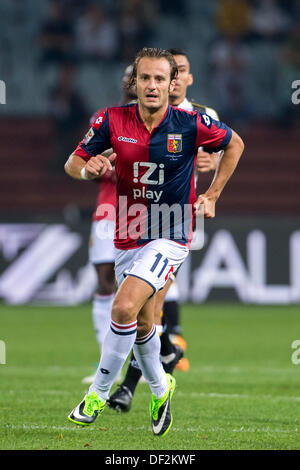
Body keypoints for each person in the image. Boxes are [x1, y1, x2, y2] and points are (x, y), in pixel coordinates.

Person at [64, 47, 244, 436]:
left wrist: (212, 194)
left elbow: (235, 144)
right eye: (145, 77)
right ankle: (162, 390)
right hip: (127, 233)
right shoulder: (111, 120)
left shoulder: (191, 122)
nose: (152, 85)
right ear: (134, 82)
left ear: (172, 83)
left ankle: (98, 392)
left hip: (171, 232)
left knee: (124, 305)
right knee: (145, 324)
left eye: (160, 78)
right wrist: (87, 169)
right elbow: (73, 162)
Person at [108, 47, 222, 412]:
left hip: (178, 218)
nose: (169, 82)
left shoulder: (201, 116)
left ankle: (128, 384)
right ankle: (170, 350)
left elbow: (220, 153)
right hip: (139, 219)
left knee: (148, 303)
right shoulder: (142, 115)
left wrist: (209, 173)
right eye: (156, 77)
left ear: (186, 78)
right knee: (147, 305)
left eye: (179, 73)